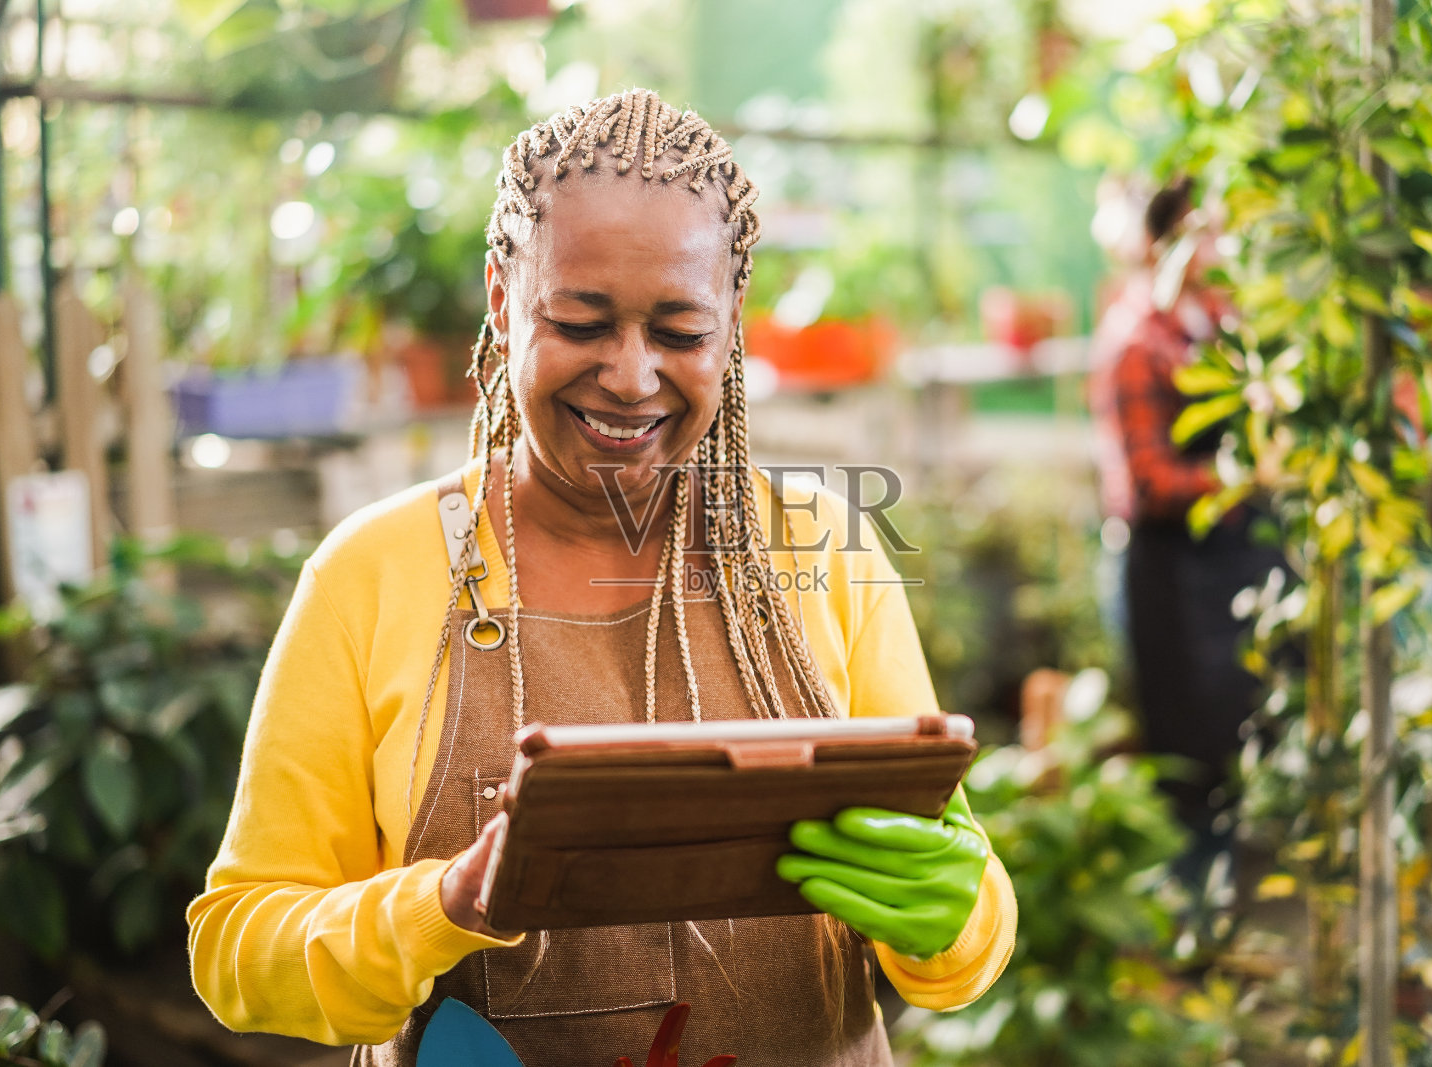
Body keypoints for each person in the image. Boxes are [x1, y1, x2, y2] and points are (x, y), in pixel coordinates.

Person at [187, 90, 1016, 1067]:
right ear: (503, 300)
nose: (630, 375)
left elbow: (958, 908)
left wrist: (959, 916)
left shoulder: (822, 550)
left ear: (733, 325)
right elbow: (238, 951)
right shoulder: (370, 575)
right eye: (581, 322)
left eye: (679, 332)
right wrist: (441, 904)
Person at [1111, 177, 1282, 886]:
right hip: (1174, 575)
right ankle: (1191, 907)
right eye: (1198, 233)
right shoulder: (1140, 344)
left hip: (1234, 561)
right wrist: (1246, 475)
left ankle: (1224, 896)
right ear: (1163, 245)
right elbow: (1152, 482)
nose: (1215, 247)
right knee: (1190, 748)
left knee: (1243, 728)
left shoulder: (1222, 332)